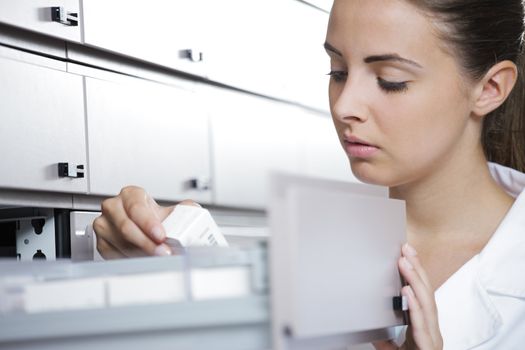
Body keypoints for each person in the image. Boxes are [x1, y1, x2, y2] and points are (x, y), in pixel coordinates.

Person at [93, 0, 525, 348]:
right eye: (337, 72)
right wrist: (168, 277)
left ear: (489, 89)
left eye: (390, 80)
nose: (343, 105)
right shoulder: (304, 250)